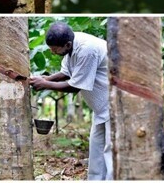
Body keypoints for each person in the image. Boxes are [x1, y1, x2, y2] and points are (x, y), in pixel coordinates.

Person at [28, 22, 112, 181]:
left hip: (113, 105)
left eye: (55, 49)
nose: (53, 53)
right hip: (101, 108)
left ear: (67, 44)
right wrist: (45, 79)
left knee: (110, 150)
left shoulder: (87, 49)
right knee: (97, 149)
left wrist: (45, 84)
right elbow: (66, 73)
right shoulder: (70, 48)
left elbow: (75, 87)